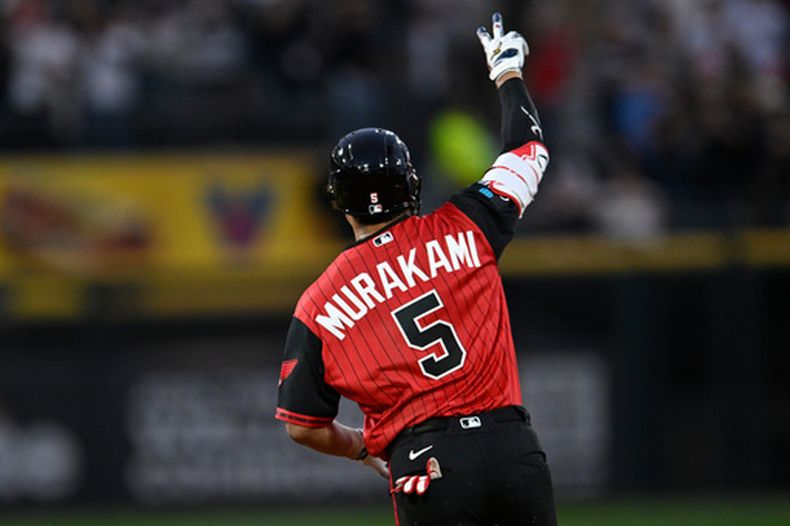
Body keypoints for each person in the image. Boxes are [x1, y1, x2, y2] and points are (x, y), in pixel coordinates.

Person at [275, 13, 557, 526]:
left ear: (340, 203)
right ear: (411, 183)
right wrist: (508, 73)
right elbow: (528, 152)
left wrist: (362, 449)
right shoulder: (466, 225)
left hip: (425, 462)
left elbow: (303, 424)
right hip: (514, 450)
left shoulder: (320, 301)